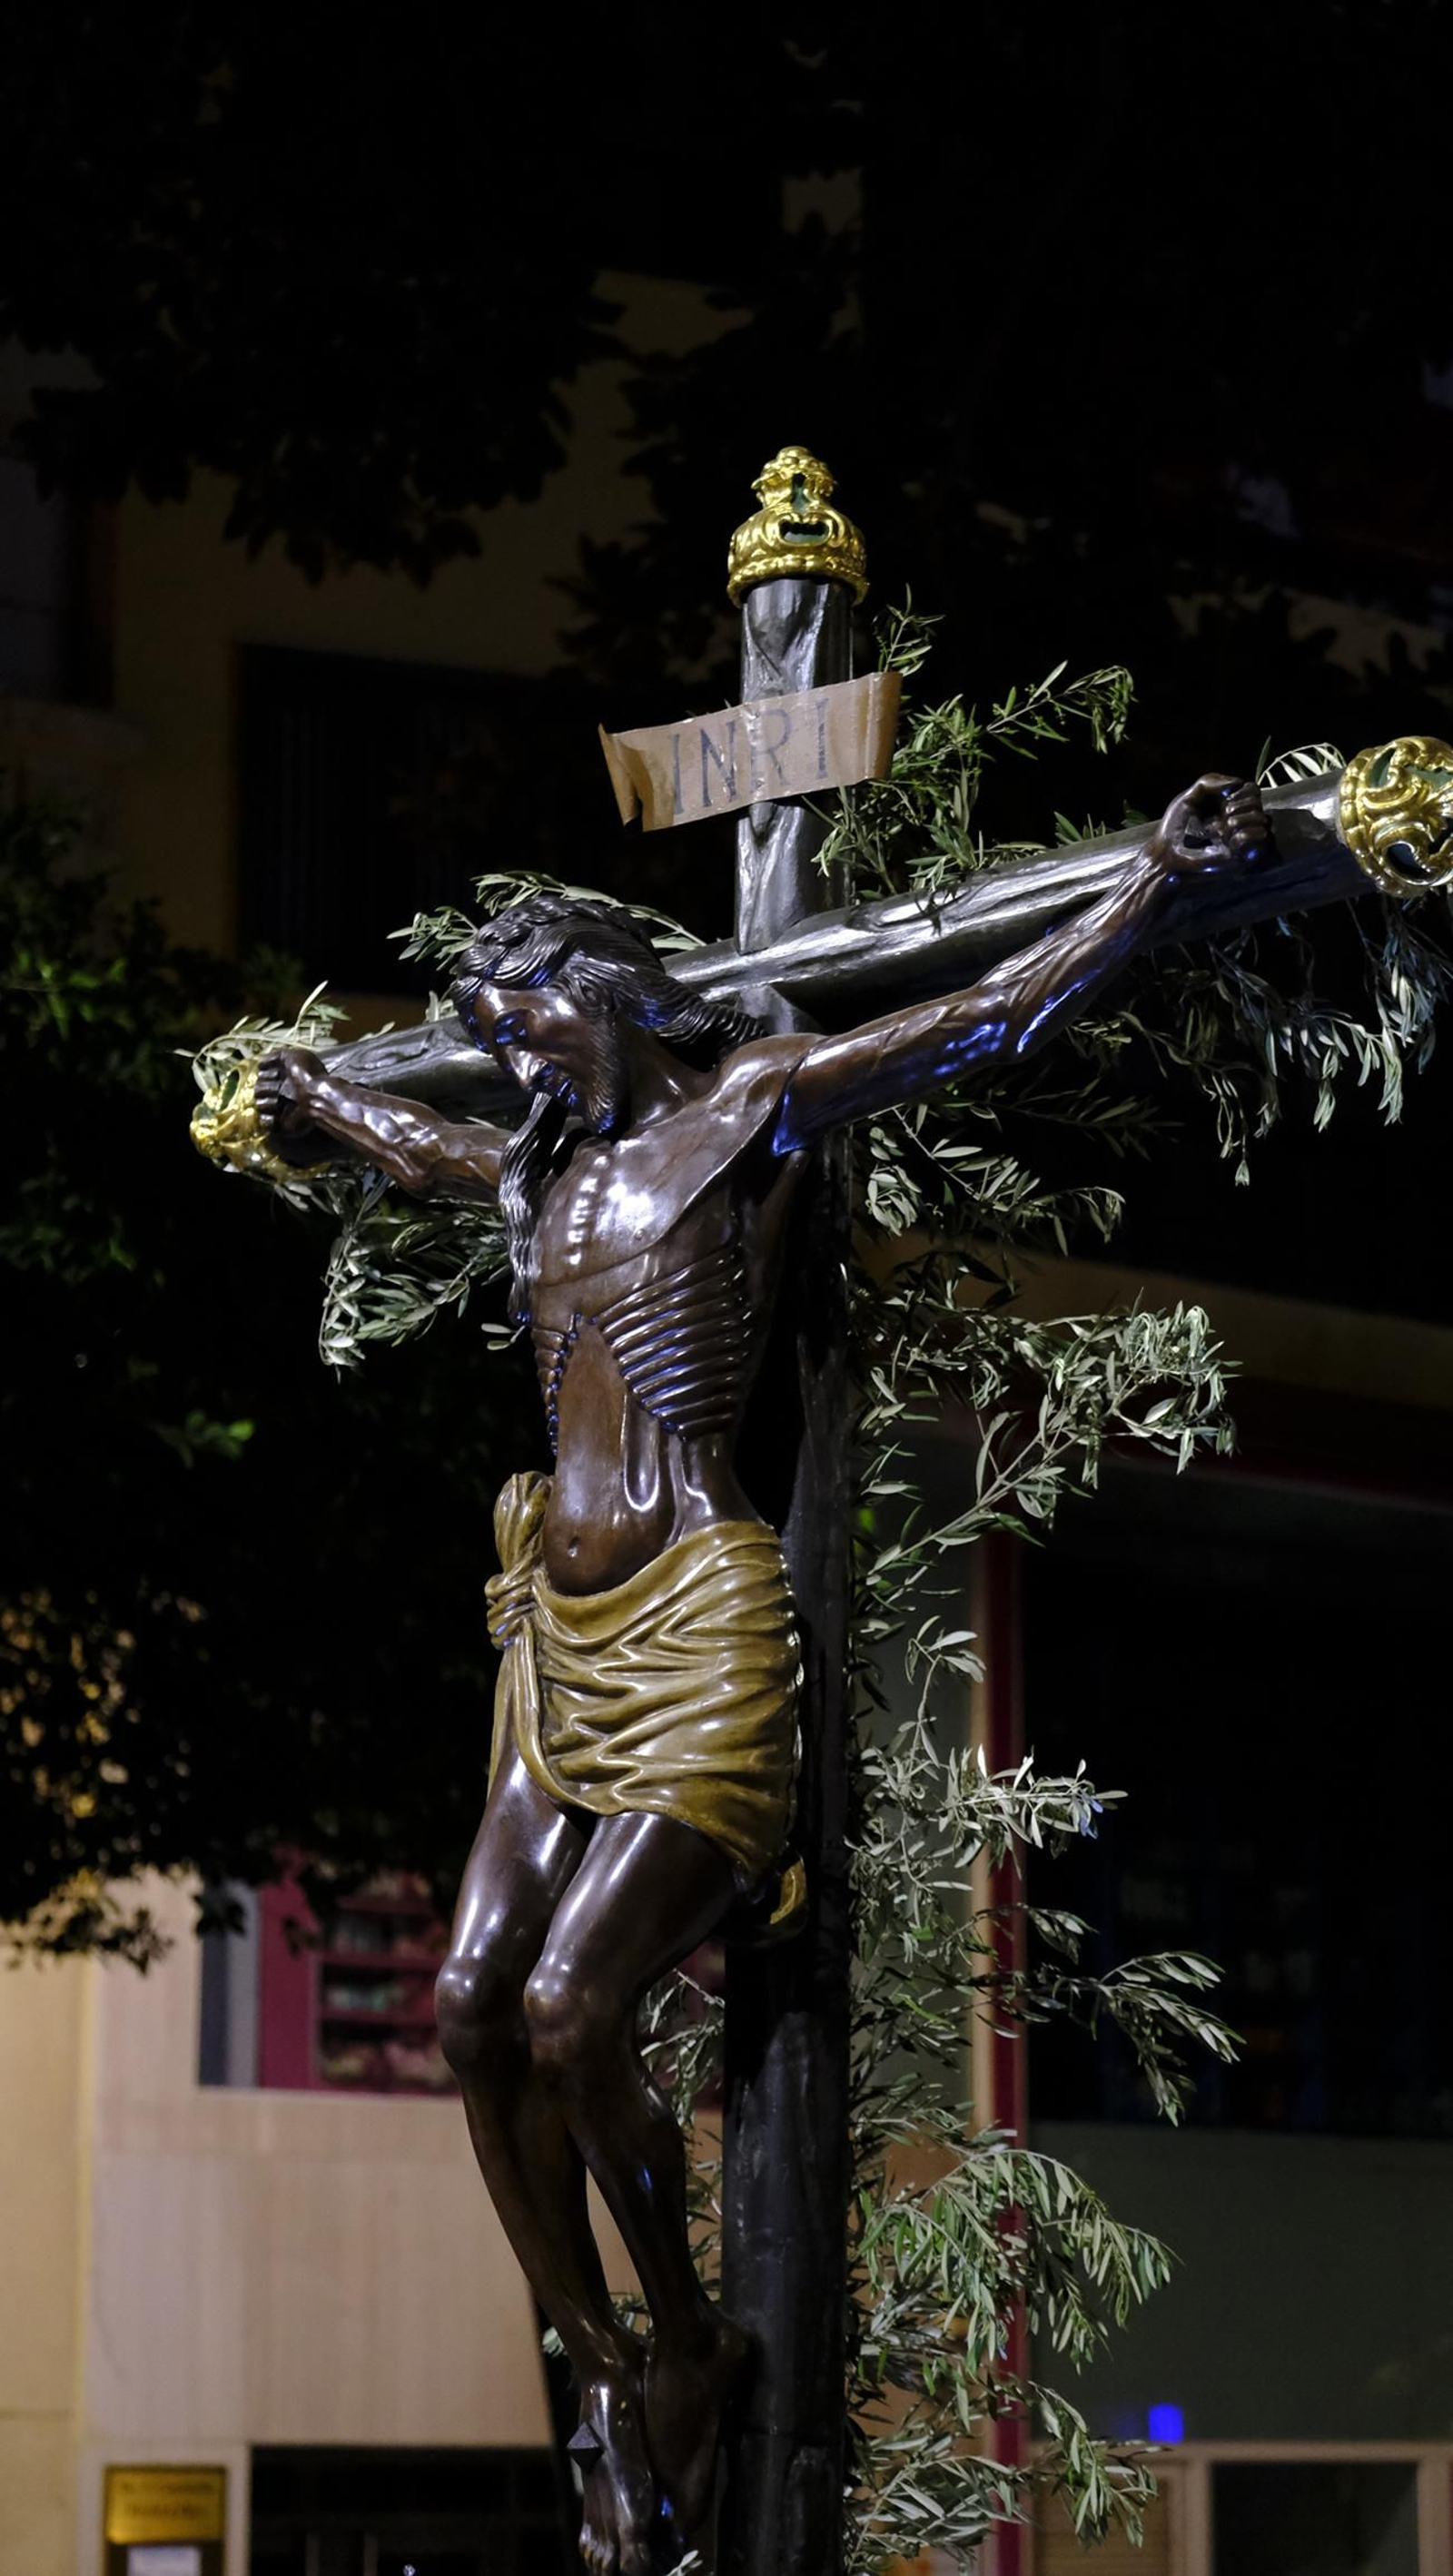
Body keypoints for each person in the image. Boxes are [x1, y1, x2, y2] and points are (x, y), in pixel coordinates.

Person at [254, 772, 1265, 2576]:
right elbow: (406, 1145)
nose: (514, 1063)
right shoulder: (539, 1169)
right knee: (470, 2001)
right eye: (495, 1038)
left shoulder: (748, 1109)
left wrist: (1150, 888)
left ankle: (692, 2342)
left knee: (573, 2011)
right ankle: (601, 2357)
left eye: (528, 1022)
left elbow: (980, 1014)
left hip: (697, 1613)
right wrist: (310, 1094)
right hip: (548, 1634)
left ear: (610, 993)